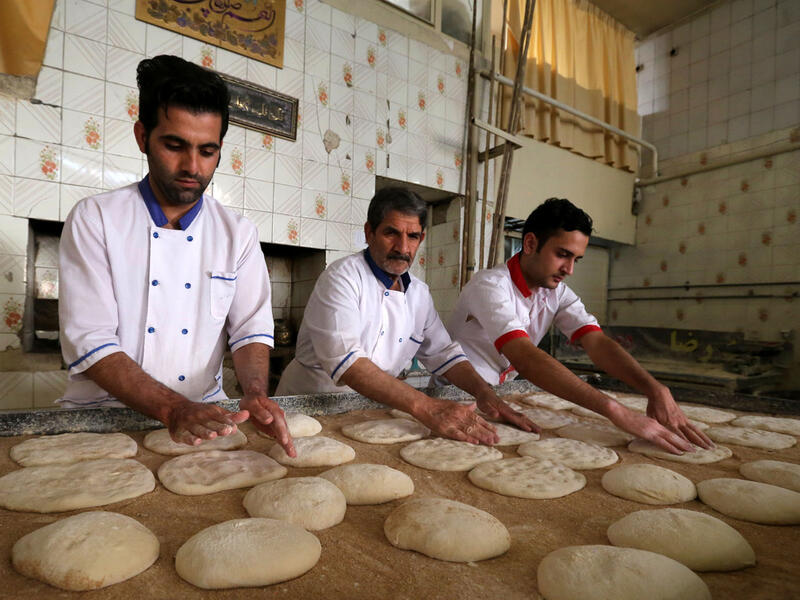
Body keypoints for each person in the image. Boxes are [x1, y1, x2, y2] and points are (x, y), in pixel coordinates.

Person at [58, 55, 294, 456]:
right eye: (174, 145)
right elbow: (91, 341)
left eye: (207, 151)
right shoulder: (96, 218)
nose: (192, 166)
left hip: (206, 418)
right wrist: (173, 407)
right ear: (141, 136)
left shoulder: (237, 234)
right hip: (102, 419)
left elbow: (250, 329)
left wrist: (255, 392)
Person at [447, 198, 713, 454]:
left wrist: (655, 389)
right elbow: (525, 357)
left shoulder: (557, 293)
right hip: (460, 397)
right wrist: (616, 410)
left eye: (576, 259)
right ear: (529, 243)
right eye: (563, 255)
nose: (569, 269)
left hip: (503, 399)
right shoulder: (490, 285)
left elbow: (596, 343)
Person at [276, 187, 536, 445]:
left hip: (368, 410)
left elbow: (444, 354)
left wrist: (484, 393)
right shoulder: (342, 278)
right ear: (369, 232)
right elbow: (349, 364)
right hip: (310, 406)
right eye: (392, 233)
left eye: (412, 236)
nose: (402, 247)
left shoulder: (418, 294)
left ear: (421, 239)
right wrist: (429, 408)